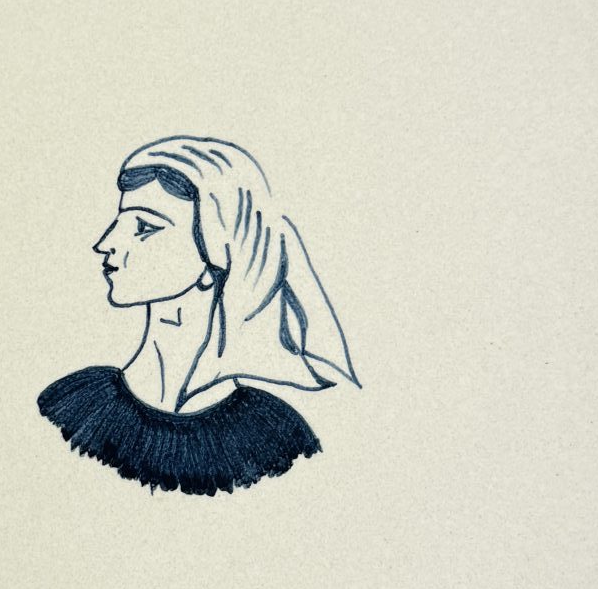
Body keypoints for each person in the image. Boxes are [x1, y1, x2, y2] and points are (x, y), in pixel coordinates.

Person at [38, 136, 358, 496]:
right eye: (119, 222)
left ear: (216, 255)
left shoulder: (276, 438)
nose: (106, 242)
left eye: (144, 227)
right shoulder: (72, 406)